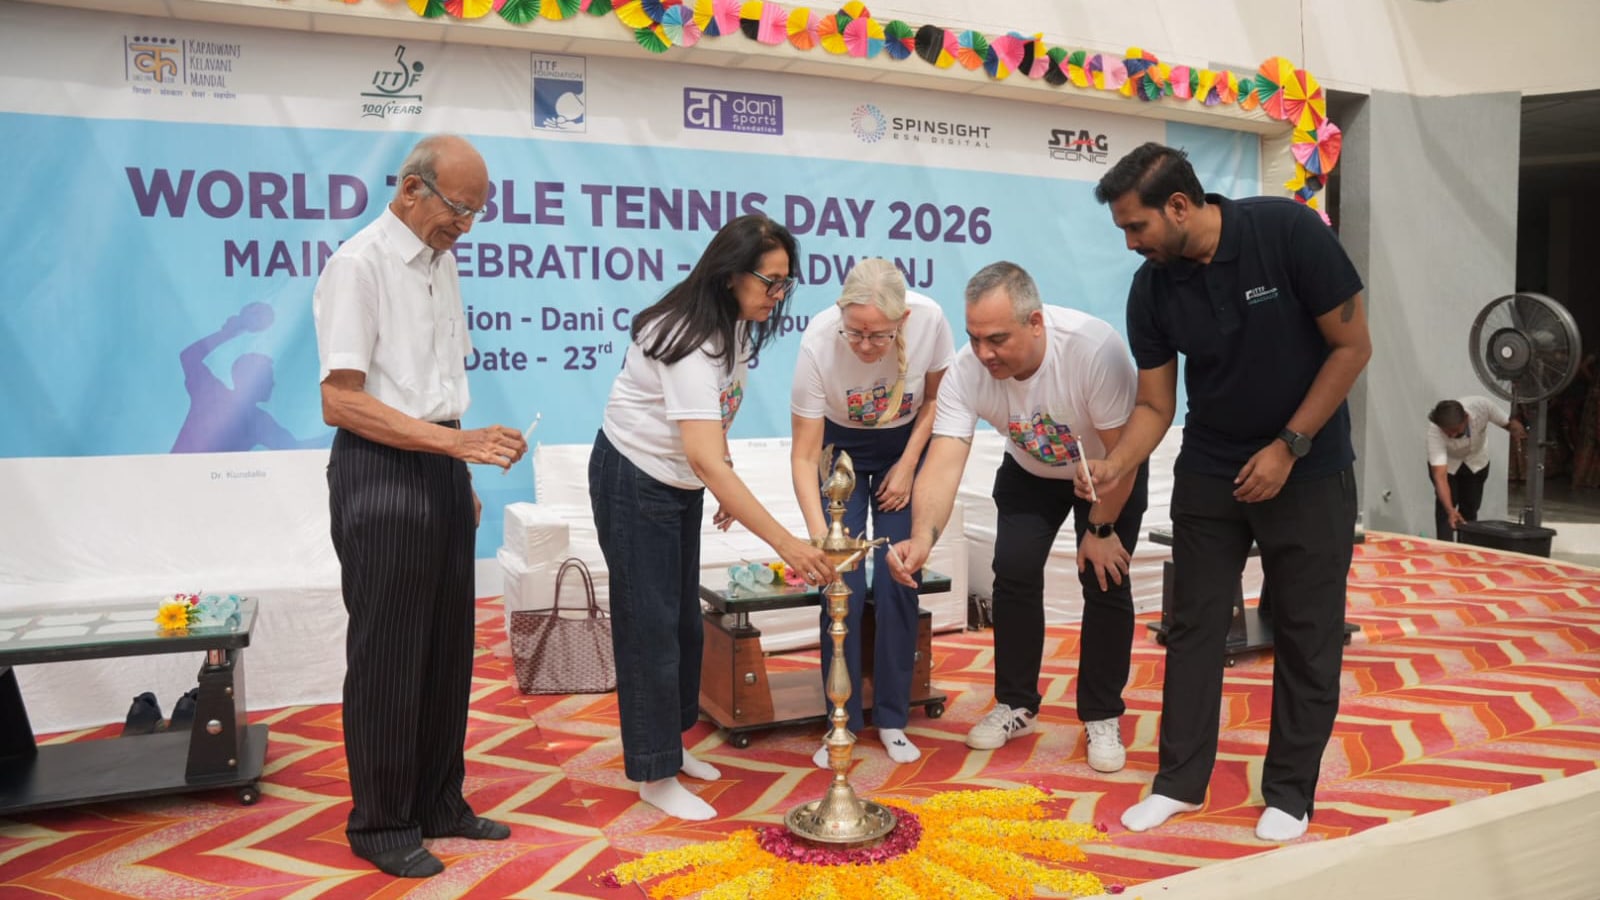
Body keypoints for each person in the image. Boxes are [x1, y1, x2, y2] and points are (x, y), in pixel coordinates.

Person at [1087, 142, 1371, 842]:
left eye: (1137, 226)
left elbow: (1352, 346)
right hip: (1212, 465)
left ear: (1179, 206)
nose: (1130, 244)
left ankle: (1290, 792)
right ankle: (1179, 782)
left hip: (1307, 465)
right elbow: (1155, 405)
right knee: (1194, 627)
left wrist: (1289, 446)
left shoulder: (1288, 232)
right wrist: (1114, 463)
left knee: (1307, 633)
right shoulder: (1152, 286)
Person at [313, 134, 529, 879]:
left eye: (476, 213)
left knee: (446, 651)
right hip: (380, 470)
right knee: (389, 658)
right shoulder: (359, 264)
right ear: (410, 189)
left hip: (437, 467)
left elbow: (435, 390)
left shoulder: (443, 264)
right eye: (458, 208)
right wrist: (454, 448)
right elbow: (341, 400)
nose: (464, 225)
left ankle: (440, 801)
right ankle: (381, 821)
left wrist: (457, 470)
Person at [589, 214, 833, 821]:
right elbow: (698, 450)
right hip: (634, 477)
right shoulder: (686, 335)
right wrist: (788, 543)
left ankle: (670, 744)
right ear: (730, 276)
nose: (778, 296)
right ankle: (653, 771)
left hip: (677, 480)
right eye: (770, 282)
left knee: (685, 626)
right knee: (650, 631)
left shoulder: (737, 327)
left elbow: (715, 422)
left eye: (786, 283)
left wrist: (718, 467)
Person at [887, 261, 1148, 774]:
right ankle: (1016, 704)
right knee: (1014, 571)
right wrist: (923, 538)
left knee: (1104, 578)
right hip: (1030, 473)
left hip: (1106, 473)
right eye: (975, 337)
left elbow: (1126, 453)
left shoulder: (1094, 350)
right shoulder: (968, 370)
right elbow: (943, 459)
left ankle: (1102, 713)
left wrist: (1099, 527)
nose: (984, 353)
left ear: (1036, 322)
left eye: (998, 339)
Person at [790, 258, 955, 768]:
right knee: (839, 585)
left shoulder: (930, 319)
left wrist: (908, 465)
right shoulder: (818, 341)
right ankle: (839, 721)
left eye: (878, 336)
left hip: (903, 448)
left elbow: (936, 401)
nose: (864, 346)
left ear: (902, 320)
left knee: (898, 577)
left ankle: (891, 718)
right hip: (837, 451)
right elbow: (803, 453)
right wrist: (822, 540)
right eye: (855, 333)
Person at [172, 302, 325, 453]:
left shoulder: (258, 420)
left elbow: (294, 448)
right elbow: (189, 357)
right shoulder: (212, 394)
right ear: (253, 380)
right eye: (268, 378)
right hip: (181, 474)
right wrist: (231, 331)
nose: (273, 384)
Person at [1426, 397, 1525, 540]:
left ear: (1466, 418)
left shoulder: (1481, 406)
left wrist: (1516, 429)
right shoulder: (1434, 432)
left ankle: (1466, 548)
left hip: (1476, 463)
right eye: (1447, 432)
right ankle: (1445, 548)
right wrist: (1450, 510)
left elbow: (1507, 422)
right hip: (1448, 466)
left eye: (1455, 430)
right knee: (1445, 511)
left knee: (1471, 508)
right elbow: (1440, 477)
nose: (1452, 435)